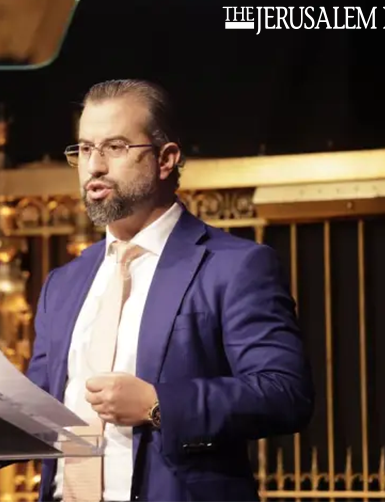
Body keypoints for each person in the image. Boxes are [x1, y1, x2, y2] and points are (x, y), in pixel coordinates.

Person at [20, 79, 314, 502]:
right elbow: (37, 408)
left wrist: (159, 404)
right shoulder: (64, 283)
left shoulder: (233, 266)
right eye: (85, 149)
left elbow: (286, 393)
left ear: (166, 159)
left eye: (115, 147)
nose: (95, 167)